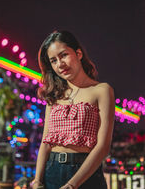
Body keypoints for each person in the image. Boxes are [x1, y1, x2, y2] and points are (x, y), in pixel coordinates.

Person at [31, 30, 115, 189]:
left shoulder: (102, 90)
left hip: (85, 175)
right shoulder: (54, 95)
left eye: (63, 55)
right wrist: (37, 180)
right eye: (53, 60)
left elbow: (103, 146)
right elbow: (45, 144)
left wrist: (72, 185)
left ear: (78, 53)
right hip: (51, 172)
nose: (60, 64)